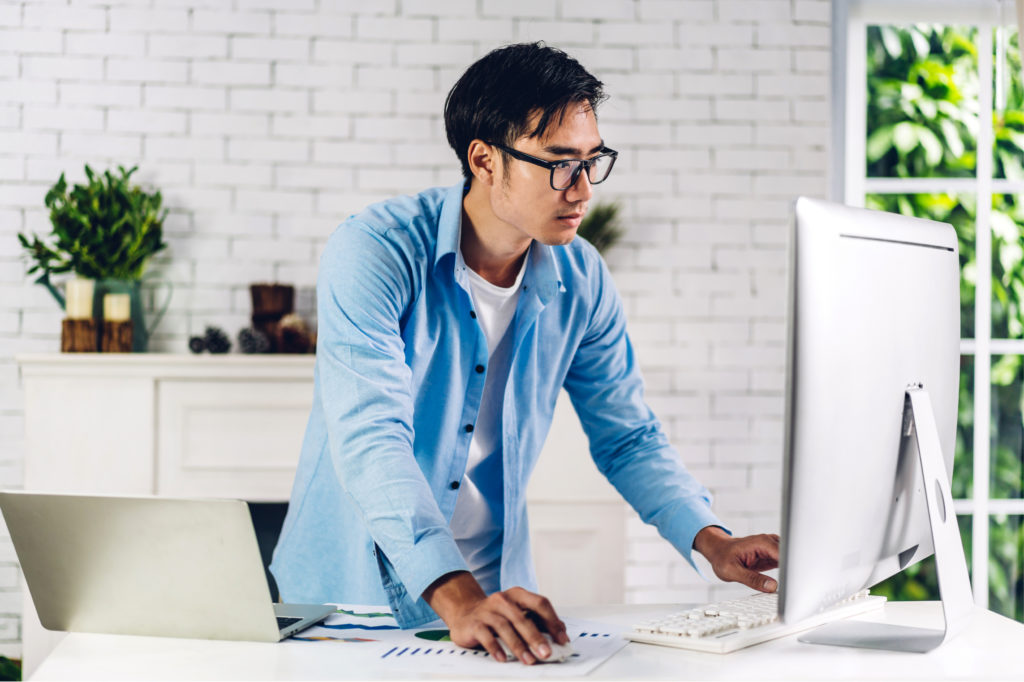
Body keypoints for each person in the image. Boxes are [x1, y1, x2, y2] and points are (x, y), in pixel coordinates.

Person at [270, 42, 779, 665]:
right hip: (351, 607)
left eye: (594, 161)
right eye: (561, 164)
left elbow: (629, 438)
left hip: (496, 604)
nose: (584, 188)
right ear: (484, 160)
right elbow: (371, 439)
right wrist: (456, 598)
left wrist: (712, 541)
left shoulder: (581, 276)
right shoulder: (374, 251)